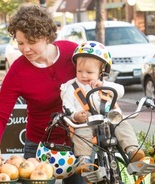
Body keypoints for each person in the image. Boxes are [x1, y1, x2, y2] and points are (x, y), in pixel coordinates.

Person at [0, 4, 90, 184]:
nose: (26, 49)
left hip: (79, 142)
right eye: (20, 43)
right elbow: (0, 113)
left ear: (46, 36)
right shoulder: (18, 71)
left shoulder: (73, 53)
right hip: (40, 146)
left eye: (31, 41)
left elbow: (95, 75)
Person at [60, 41, 145, 174]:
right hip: (87, 121)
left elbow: (120, 91)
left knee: (122, 123)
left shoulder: (104, 85)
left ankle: (132, 150)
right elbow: (67, 106)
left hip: (108, 119)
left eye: (89, 72)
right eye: (79, 71)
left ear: (101, 71)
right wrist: (75, 115)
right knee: (82, 132)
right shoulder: (70, 88)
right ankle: (84, 160)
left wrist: (103, 85)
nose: (83, 75)